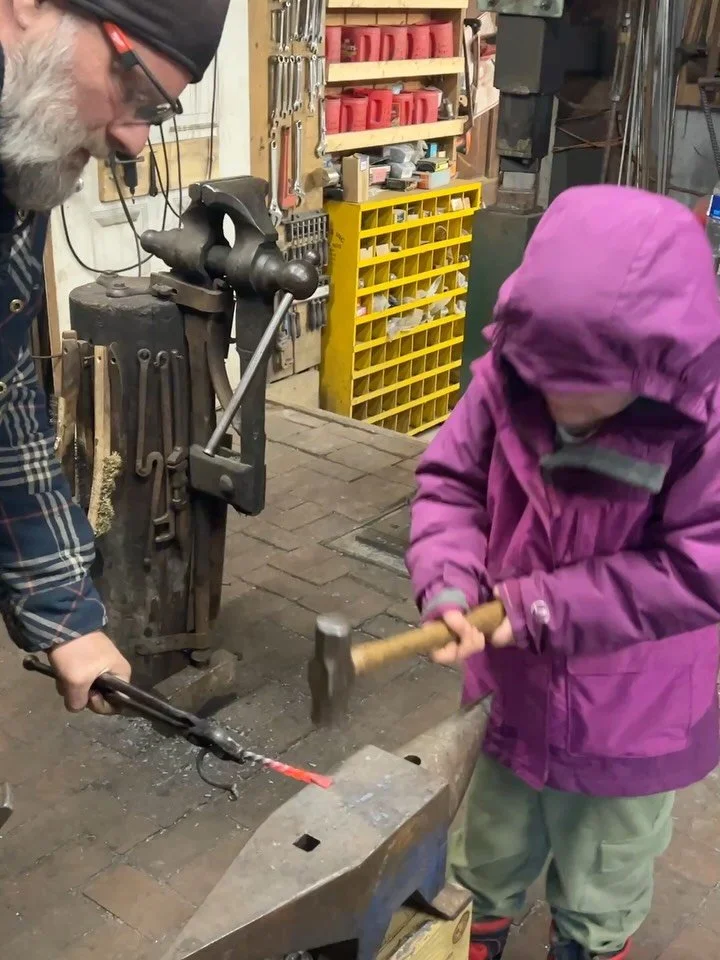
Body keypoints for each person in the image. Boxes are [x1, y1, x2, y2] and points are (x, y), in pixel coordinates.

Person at [407, 185, 720, 960]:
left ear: (657, 370)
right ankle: (471, 940)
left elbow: (699, 566)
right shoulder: (506, 378)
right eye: (550, 378)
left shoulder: (704, 424)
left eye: (592, 386)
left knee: (598, 896)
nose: (565, 403)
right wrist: (447, 582)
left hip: (633, 723)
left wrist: (543, 606)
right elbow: (449, 487)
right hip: (511, 704)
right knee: (481, 868)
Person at [0, 0, 229, 712]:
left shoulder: (17, 175)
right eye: (134, 95)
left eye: (155, 115)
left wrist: (65, 612)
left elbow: (5, 395)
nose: (132, 142)